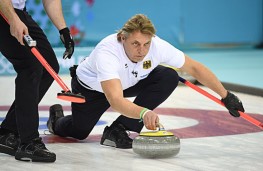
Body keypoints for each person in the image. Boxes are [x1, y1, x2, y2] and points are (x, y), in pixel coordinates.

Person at [47, 14, 244, 149]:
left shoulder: (157, 46)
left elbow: (194, 67)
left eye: (146, 44)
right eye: (135, 44)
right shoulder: (107, 53)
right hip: (93, 89)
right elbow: (115, 100)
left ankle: (119, 129)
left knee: (168, 76)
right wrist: (143, 112)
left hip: (128, 82)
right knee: (79, 132)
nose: (141, 50)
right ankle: (56, 121)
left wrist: (226, 95)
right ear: (122, 38)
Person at [0, 0, 74, 162]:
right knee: (30, 66)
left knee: (48, 66)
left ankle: (7, 131)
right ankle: (29, 142)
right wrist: (13, 19)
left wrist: (64, 30)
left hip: (18, 11)